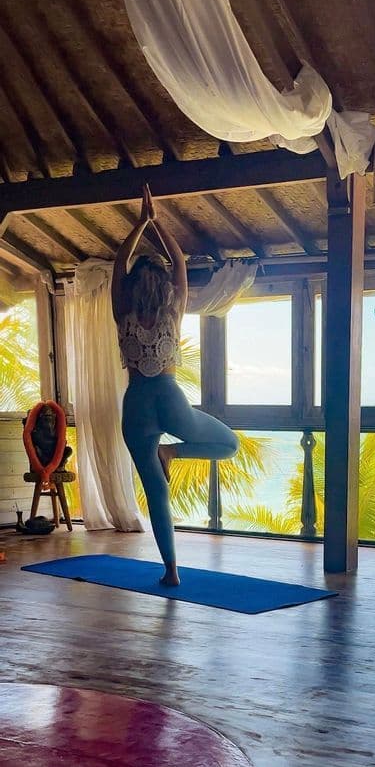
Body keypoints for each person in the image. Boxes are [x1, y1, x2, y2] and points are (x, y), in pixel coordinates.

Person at [112, 185, 238, 586]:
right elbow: (179, 264)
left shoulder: (123, 313)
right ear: (163, 286)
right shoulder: (173, 313)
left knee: (156, 494)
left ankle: (172, 571)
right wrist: (157, 221)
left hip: (135, 404)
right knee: (229, 444)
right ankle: (173, 451)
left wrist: (139, 225)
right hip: (168, 397)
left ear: (133, 287)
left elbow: (118, 264)